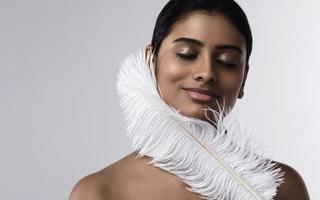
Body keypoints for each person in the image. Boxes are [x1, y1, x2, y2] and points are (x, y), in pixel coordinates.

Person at [69, 0, 310, 199]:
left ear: (244, 78)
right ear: (150, 61)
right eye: (187, 54)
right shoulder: (99, 192)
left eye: (227, 61)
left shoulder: (283, 189)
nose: (206, 72)